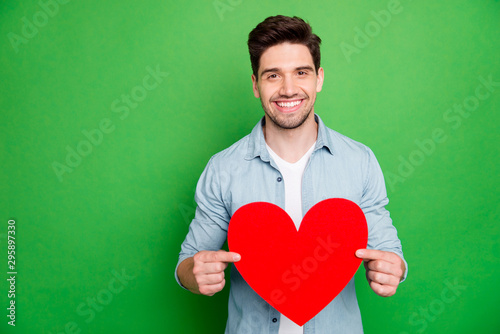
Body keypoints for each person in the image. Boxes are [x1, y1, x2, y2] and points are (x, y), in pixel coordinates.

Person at [175, 15, 407, 334]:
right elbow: (187, 264)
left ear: (319, 79)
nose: (288, 89)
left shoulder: (360, 161)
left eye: (301, 73)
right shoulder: (223, 168)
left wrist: (393, 269)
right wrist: (195, 274)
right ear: (256, 85)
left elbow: (389, 250)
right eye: (273, 75)